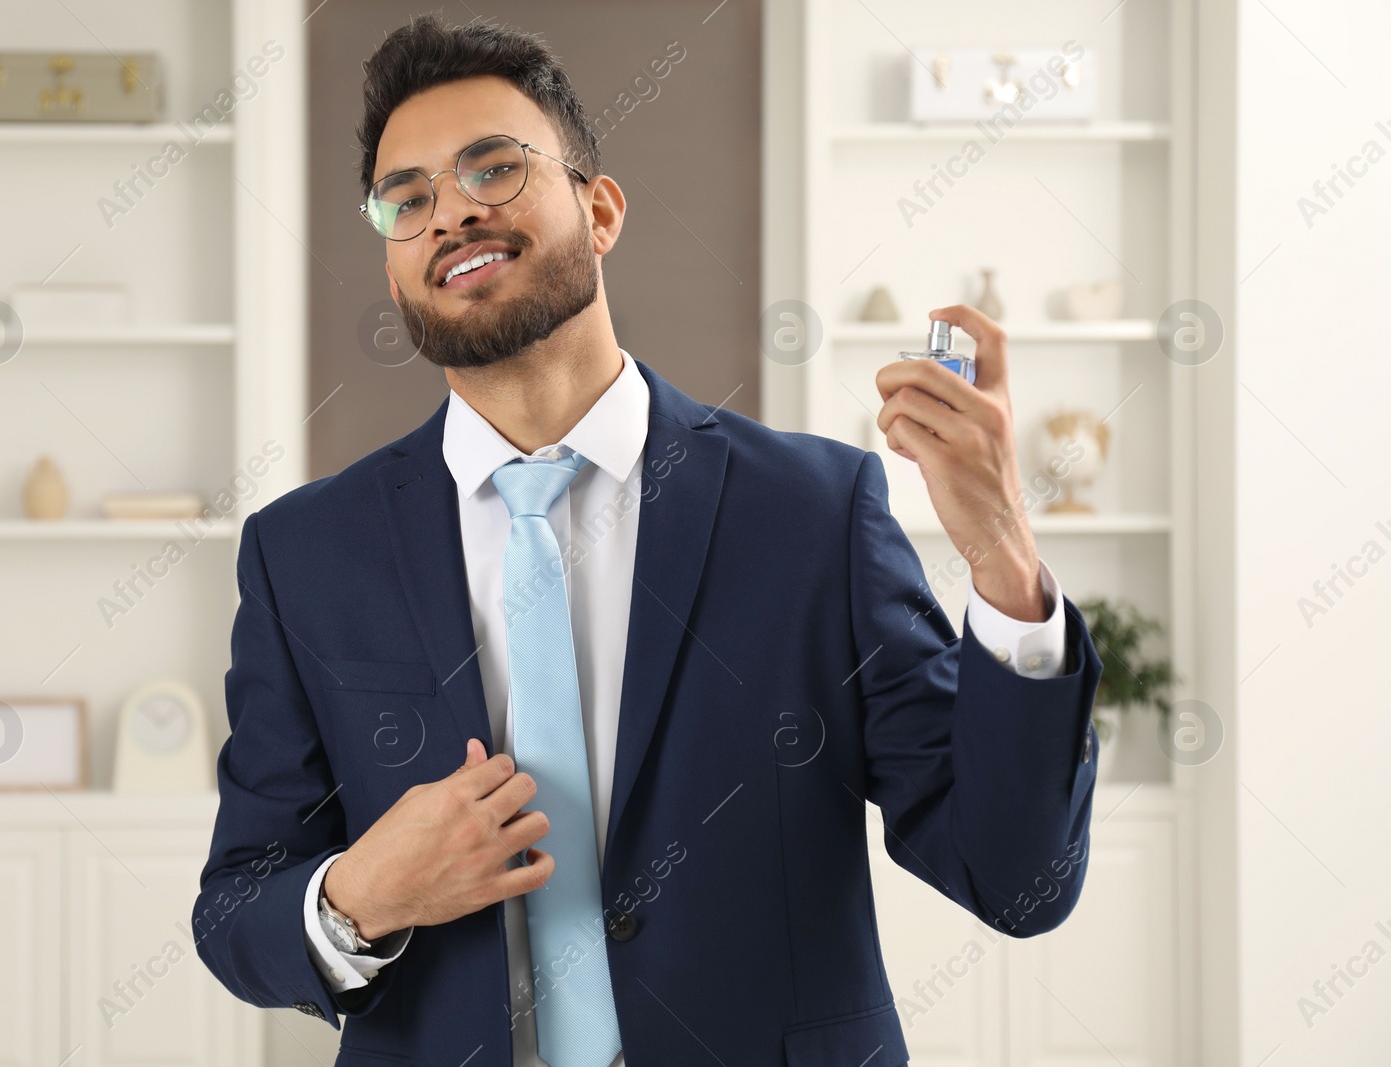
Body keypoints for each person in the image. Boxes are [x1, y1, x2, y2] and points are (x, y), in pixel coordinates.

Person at [194, 13, 1103, 1067]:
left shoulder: (811, 512)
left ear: (601, 208)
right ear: (395, 265)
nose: (450, 212)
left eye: (493, 168)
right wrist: (360, 895)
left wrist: (1004, 563)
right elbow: (236, 912)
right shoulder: (304, 553)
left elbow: (1018, 879)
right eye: (409, 198)